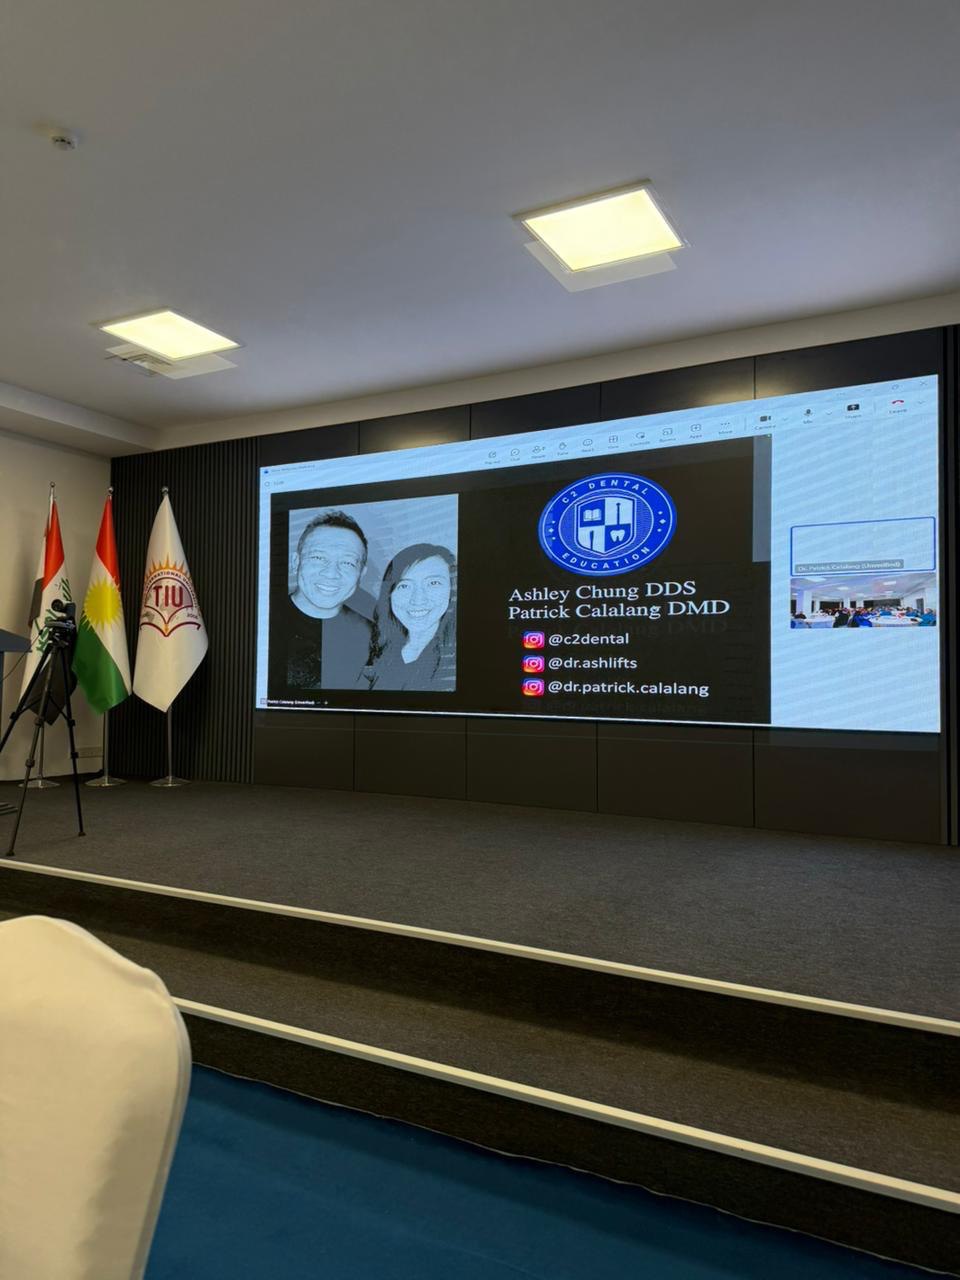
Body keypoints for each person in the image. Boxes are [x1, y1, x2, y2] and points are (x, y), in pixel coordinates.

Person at [275, 510, 373, 690]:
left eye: (347, 563)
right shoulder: (260, 625)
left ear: (361, 573)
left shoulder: (372, 636)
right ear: (295, 562)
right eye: (318, 557)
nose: (331, 573)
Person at [364, 544, 457, 692]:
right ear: (389, 594)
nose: (418, 599)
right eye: (404, 586)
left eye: (433, 583)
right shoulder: (375, 651)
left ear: (452, 590)